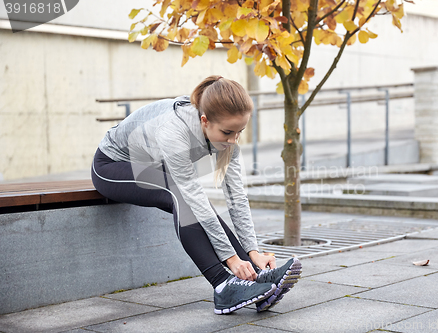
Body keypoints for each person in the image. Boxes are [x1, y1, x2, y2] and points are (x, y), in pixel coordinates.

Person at [91, 75, 301, 314]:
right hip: (111, 166)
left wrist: (252, 252)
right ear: (204, 121)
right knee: (180, 192)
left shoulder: (227, 138)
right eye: (227, 132)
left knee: (192, 196)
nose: (233, 140)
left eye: (239, 132)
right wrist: (231, 259)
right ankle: (223, 286)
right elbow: (191, 194)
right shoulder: (175, 130)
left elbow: (236, 196)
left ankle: (256, 276)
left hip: (151, 167)